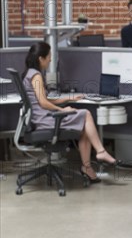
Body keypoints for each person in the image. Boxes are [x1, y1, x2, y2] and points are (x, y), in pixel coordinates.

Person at [23, 42, 121, 184]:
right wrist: (63, 110)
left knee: (84, 128)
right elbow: (43, 103)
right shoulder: (36, 75)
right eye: (49, 56)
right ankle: (100, 152)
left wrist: (68, 98)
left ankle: (87, 167)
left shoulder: (29, 73)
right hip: (45, 120)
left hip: (40, 118)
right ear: (41, 59)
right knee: (86, 114)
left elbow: (43, 99)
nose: (50, 59)